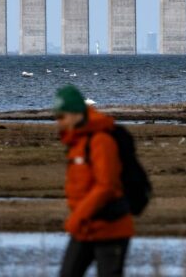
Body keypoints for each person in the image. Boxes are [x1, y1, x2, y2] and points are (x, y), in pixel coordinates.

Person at [54, 85, 133, 277]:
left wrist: (78, 216)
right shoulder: (76, 142)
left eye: (62, 117)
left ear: (76, 114)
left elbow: (106, 186)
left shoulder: (100, 140)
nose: (59, 123)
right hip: (84, 228)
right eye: (57, 117)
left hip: (110, 228)